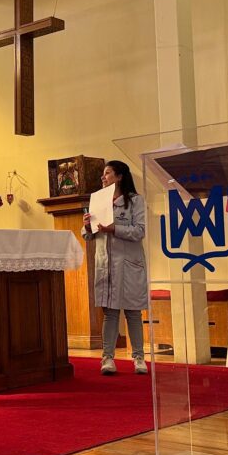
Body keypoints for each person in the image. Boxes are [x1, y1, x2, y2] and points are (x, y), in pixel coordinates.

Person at [83, 161, 149, 375]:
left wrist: (115, 229)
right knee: (110, 313)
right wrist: (87, 227)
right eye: (103, 174)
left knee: (133, 312)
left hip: (129, 264)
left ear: (119, 177)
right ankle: (107, 358)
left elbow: (139, 231)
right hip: (106, 264)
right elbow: (89, 234)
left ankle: (139, 357)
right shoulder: (98, 200)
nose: (103, 177)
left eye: (107, 173)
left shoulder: (135, 201)